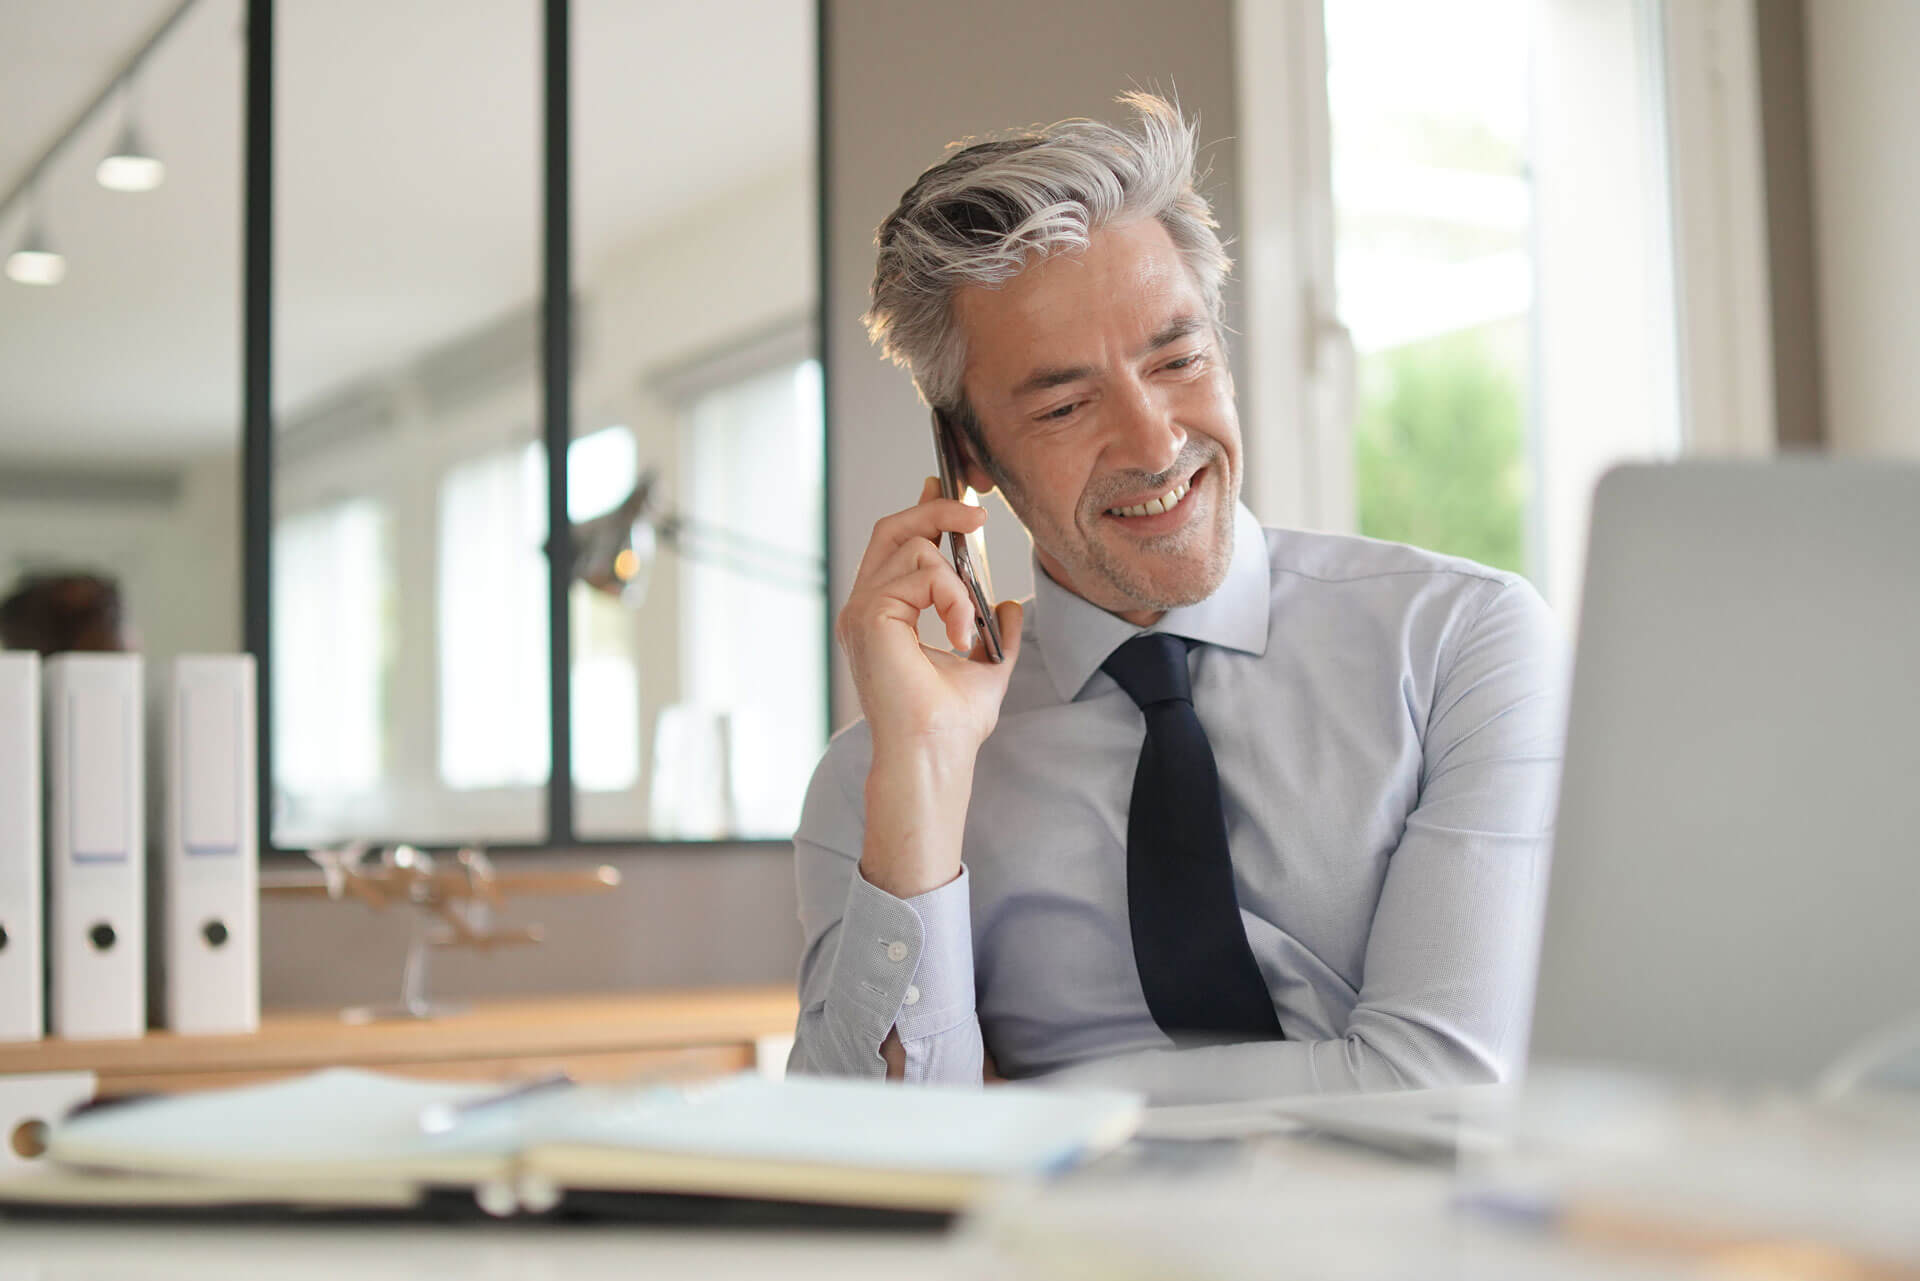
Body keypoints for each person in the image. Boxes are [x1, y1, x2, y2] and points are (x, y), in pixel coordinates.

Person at [787, 94, 1564, 1101]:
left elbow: (1440, 1087)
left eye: (1180, 359)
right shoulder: (877, 780)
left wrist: (1028, 1108)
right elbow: (875, 1163)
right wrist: (923, 781)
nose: (1156, 444)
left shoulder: (1465, 644)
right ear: (967, 453)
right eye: (1066, 405)